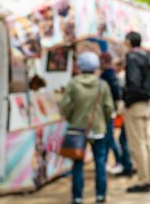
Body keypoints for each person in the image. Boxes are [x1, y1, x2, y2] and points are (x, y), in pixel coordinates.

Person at [60, 51, 114, 204]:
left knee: (77, 164)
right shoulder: (102, 84)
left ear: (80, 66)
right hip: (98, 130)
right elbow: (109, 107)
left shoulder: (73, 83)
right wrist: (102, 121)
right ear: (96, 66)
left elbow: (64, 105)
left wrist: (73, 118)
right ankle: (100, 196)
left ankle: (77, 197)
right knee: (100, 163)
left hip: (78, 129)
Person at [123, 31, 150, 193]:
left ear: (129, 42)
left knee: (137, 144)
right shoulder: (148, 56)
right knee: (144, 142)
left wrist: (127, 100)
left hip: (135, 104)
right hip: (145, 103)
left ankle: (143, 180)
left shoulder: (132, 57)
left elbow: (134, 84)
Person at [99, 52, 123, 174]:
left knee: (109, 138)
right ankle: (111, 161)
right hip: (109, 110)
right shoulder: (111, 74)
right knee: (109, 138)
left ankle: (118, 161)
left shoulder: (107, 75)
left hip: (107, 111)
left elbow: (114, 94)